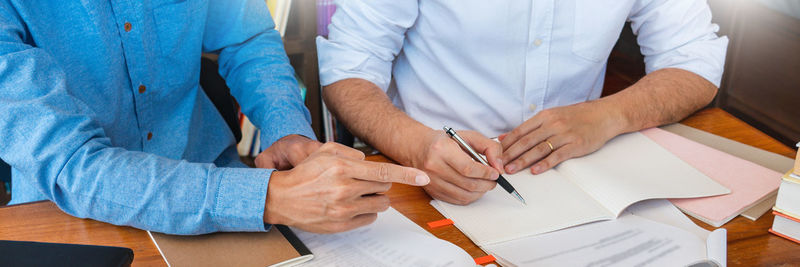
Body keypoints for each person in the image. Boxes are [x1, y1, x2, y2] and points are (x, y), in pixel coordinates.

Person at [0, 0, 429, 235]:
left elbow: (247, 37)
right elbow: (73, 165)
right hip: (67, 221)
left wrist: (286, 128)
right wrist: (266, 198)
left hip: (218, 184)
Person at [318, 1, 727, 205]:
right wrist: (414, 144)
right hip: (425, 175)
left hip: (580, 178)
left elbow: (694, 58)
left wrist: (608, 115)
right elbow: (347, 69)